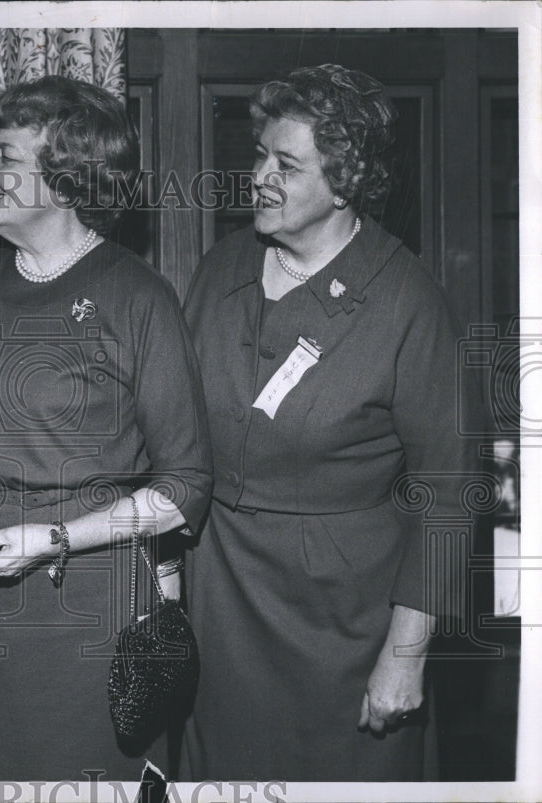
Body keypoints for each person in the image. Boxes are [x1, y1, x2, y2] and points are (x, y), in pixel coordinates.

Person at [0, 75, 212, 781]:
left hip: (91, 617)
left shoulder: (138, 297)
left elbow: (185, 485)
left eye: (4, 159)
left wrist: (57, 538)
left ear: (67, 182)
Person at [180, 65, 477, 781]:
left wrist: (405, 654)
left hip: (343, 626)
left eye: (287, 165)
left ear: (346, 183)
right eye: (259, 155)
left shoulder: (409, 302)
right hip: (220, 600)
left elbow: (446, 497)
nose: (258, 176)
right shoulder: (222, 268)